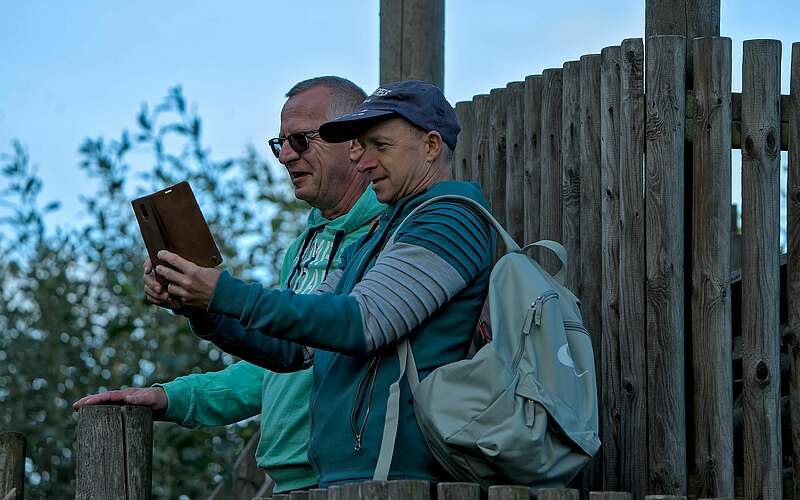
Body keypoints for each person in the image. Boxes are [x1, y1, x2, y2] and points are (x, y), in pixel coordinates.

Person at [147, 80, 494, 487]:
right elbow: (295, 347)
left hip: (397, 479)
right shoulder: (379, 233)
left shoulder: (449, 218)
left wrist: (223, 292)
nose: (364, 162)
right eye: (362, 148)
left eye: (379, 146)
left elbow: (362, 322)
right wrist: (201, 308)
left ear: (432, 146)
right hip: (351, 476)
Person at [73, 76, 387, 494]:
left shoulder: (387, 236)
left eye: (301, 140)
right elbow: (276, 367)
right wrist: (172, 397)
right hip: (288, 484)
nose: (286, 156)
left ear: (352, 141)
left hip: (357, 480)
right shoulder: (301, 248)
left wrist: (216, 297)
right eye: (280, 144)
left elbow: (324, 344)